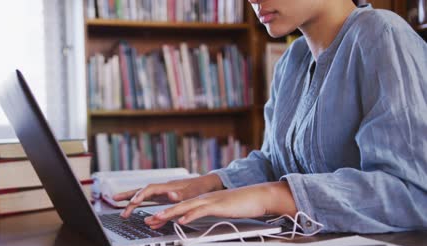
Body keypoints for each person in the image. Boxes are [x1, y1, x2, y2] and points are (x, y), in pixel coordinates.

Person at [113, 0, 427, 233]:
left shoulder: (382, 34)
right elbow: (275, 163)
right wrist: (206, 185)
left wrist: (272, 195)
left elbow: (413, 194)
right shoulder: (293, 59)